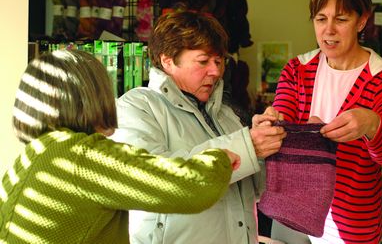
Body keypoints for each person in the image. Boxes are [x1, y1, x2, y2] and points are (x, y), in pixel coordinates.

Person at [0, 49, 242, 244]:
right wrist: (220, 160)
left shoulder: (33, 155)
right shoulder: (82, 156)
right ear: (94, 97)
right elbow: (190, 188)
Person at [111, 10, 286, 244]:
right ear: (168, 60)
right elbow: (152, 181)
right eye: (203, 61)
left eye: (219, 60)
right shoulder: (137, 107)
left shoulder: (225, 114)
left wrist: (270, 149)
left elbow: (253, 192)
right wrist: (249, 146)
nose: (215, 71)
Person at [270, 0, 382, 244]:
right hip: (294, 211)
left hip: (352, 222)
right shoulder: (297, 70)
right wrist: (272, 123)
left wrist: (372, 124)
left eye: (340, 20)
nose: (328, 30)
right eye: (320, 19)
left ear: (361, 21)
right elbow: (281, 114)